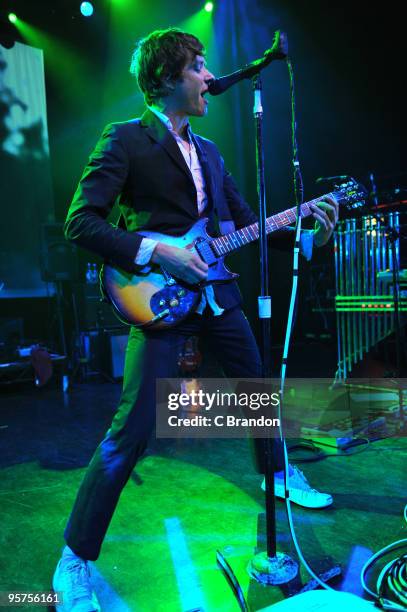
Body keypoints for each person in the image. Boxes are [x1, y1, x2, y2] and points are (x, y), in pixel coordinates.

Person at [52, 28, 338, 612]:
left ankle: (280, 474)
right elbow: (81, 223)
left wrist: (306, 235)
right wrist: (159, 252)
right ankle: (74, 557)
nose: (209, 77)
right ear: (167, 79)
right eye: (199, 66)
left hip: (218, 295)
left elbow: (247, 228)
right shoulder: (127, 139)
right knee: (131, 430)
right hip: (159, 301)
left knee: (259, 392)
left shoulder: (210, 151)